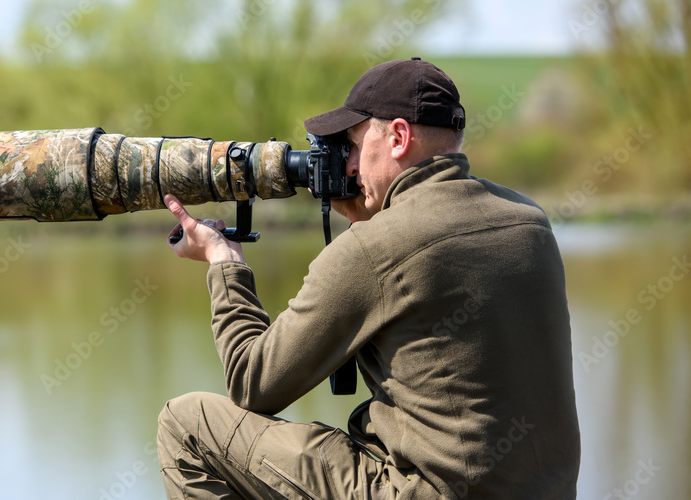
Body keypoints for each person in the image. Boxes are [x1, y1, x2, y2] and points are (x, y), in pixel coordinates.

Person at [156, 57, 581, 499]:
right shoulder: (530, 221)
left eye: (354, 145)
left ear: (398, 137)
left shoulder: (375, 249)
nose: (350, 166)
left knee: (186, 423)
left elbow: (252, 381)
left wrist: (223, 261)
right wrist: (370, 219)